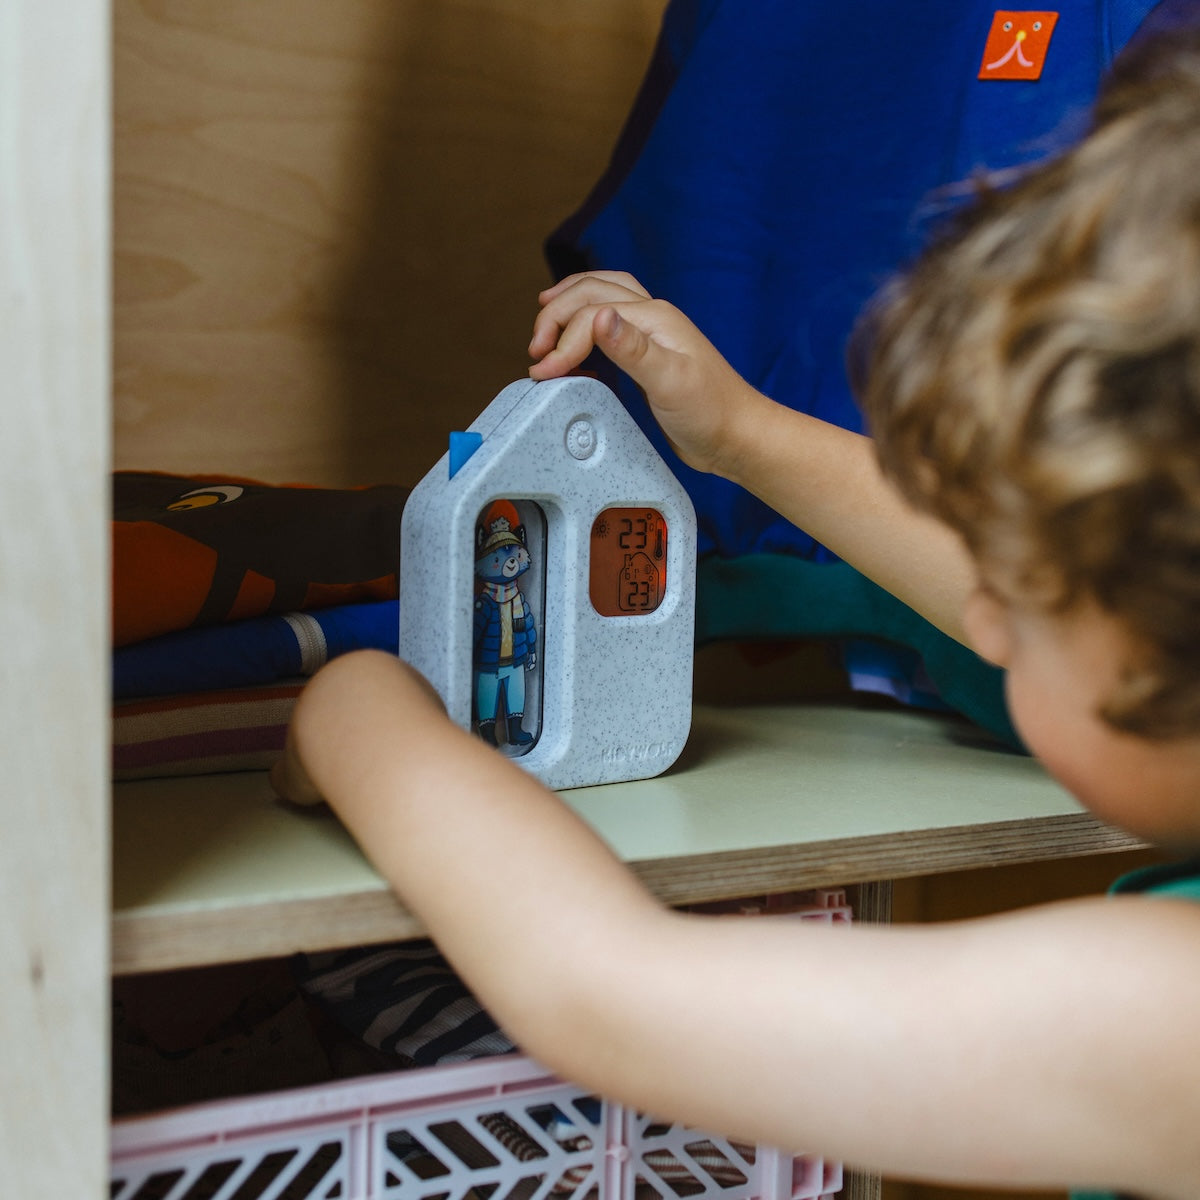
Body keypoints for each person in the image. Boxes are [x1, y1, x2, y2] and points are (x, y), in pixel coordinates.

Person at [271, 28, 1200, 1199]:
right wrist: (739, 432)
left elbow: (605, 993)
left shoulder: (1165, 1023)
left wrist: (359, 707)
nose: (989, 623)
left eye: (1026, 593)